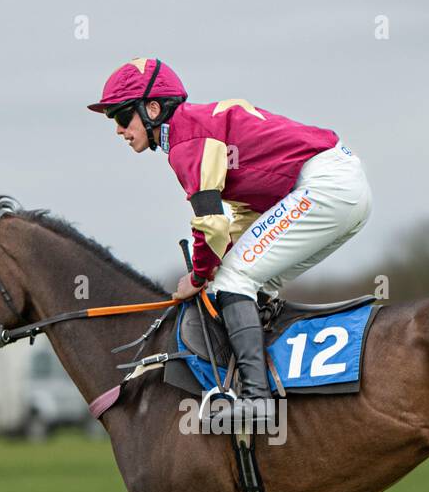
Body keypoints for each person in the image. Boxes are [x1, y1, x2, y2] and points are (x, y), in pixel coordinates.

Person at [87, 58, 373, 430]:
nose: (119, 130)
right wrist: (213, 264)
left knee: (232, 281)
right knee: (252, 280)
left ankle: (257, 400)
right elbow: (243, 218)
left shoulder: (186, 139)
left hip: (326, 187)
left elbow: (211, 224)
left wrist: (200, 273)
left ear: (152, 109)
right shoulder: (198, 127)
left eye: (121, 117)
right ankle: (275, 382)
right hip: (341, 187)